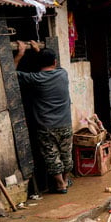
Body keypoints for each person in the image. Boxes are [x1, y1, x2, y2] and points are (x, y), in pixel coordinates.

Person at [14, 41, 72, 194]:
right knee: (66, 154)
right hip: (65, 123)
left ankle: (60, 184)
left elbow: (11, 74)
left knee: (51, 155)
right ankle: (65, 180)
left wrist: (20, 55)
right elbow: (50, 65)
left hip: (46, 126)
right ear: (55, 62)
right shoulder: (63, 74)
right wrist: (38, 50)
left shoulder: (35, 78)